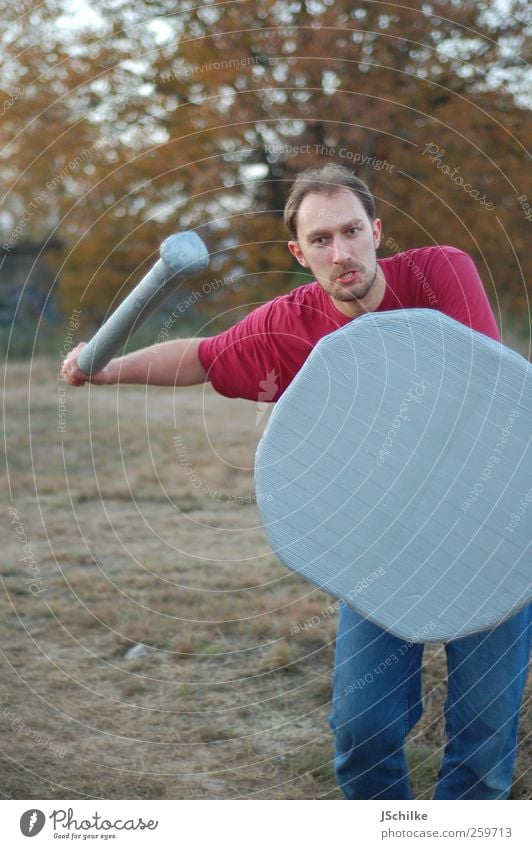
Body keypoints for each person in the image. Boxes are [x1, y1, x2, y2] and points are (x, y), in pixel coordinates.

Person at [62, 163, 531, 799]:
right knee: (362, 731)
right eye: (321, 240)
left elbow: (482, 400)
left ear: (376, 231)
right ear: (298, 252)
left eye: (352, 231)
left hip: (492, 533)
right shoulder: (291, 322)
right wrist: (107, 366)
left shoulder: (440, 273)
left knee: (481, 742)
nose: (341, 253)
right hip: (382, 549)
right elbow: (203, 357)